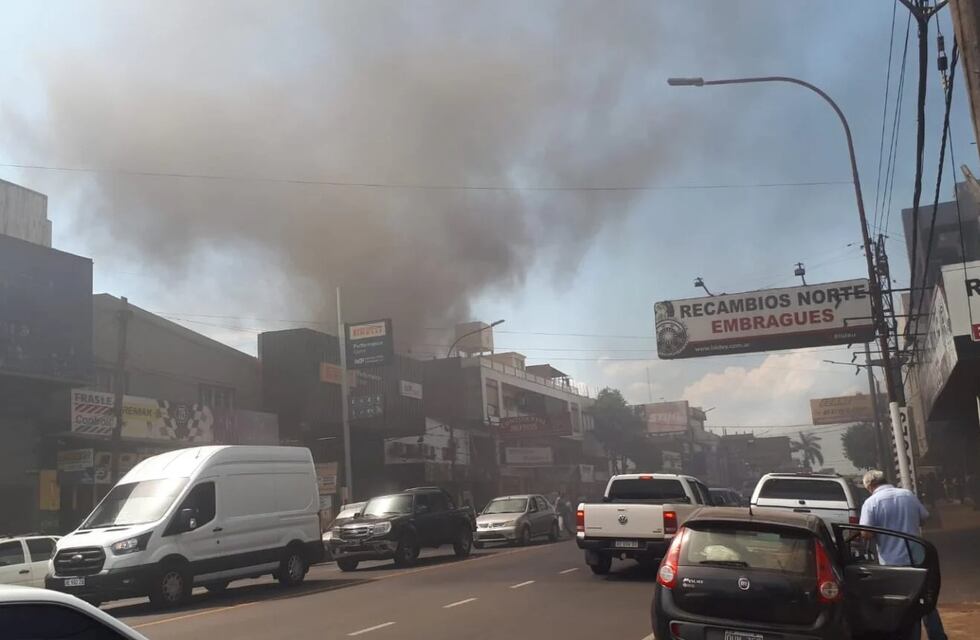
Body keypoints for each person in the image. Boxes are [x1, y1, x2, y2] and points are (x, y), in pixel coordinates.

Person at [860, 470, 947, 640]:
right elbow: (924, 518)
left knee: (903, 604)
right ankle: (937, 636)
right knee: (925, 599)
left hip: (893, 563)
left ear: (870, 486)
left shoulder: (871, 503)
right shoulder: (907, 495)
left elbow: (866, 533)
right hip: (918, 557)